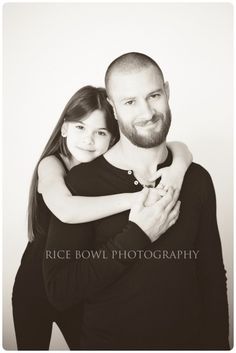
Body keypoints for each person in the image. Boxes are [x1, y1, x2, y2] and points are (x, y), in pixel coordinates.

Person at [43, 52, 229, 350]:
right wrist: (137, 236)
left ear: (167, 92)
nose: (147, 112)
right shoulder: (82, 184)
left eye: (153, 95)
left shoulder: (195, 179)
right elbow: (60, 291)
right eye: (130, 102)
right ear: (114, 109)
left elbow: (211, 277)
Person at [12, 85, 191, 350]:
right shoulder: (52, 164)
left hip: (75, 286)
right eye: (80, 128)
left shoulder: (105, 173)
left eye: (101, 132)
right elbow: (66, 209)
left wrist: (178, 168)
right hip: (34, 287)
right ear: (64, 129)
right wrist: (136, 199)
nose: (88, 140)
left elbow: (178, 146)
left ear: (113, 138)